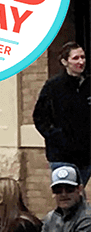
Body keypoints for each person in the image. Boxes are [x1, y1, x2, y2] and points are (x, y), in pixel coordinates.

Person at [33, 42, 89, 183]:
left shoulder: (88, 85)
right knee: (67, 195)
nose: (81, 61)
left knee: (79, 197)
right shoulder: (53, 86)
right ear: (65, 61)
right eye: (75, 58)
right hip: (61, 157)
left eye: (83, 57)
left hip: (86, 157)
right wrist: (57, 136)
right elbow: (40, 117)